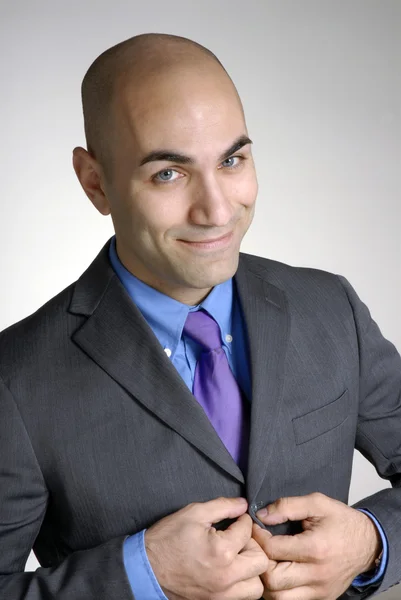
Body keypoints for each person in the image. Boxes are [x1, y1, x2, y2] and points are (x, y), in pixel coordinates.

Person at [0, 32, 400, 600]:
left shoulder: (330, 307)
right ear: (95, 182)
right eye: (169, 172)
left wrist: (373, 541)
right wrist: (142, 576)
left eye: (232, 160)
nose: (217, 210)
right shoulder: (14, 380)